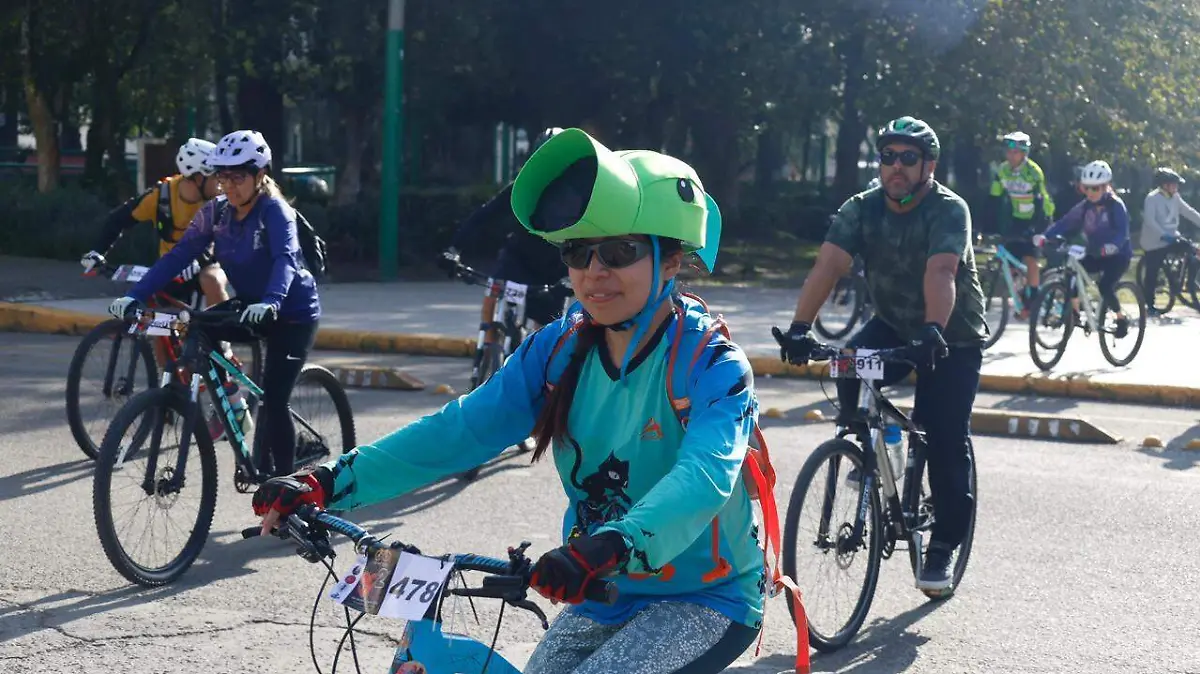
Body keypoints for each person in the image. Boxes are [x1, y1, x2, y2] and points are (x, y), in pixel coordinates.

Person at [253, 129, 771, 673]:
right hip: (603, 585)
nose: (594, 273)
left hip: (704, 598)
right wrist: (330, 481)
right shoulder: (559, 348)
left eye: (620, 252)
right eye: (578, 252)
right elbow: (462, 428)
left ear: (670, 262)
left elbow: (705, 477)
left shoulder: (711, 364)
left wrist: (609, 545)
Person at [775, 116, 986, 594]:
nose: (896, 167)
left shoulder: (949, 210)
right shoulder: (862, 208)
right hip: (893, 322)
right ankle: (866, 447)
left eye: (908, 159)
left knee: (943, 435)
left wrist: (934, 330)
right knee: (848, 361)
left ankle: (943, 546)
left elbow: (942, 272)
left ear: (928, 166)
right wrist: (798, 329)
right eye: (888, 156)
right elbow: (828, 264)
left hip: (951, 335)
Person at [107, 130, 322, 477]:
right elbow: (178, 256)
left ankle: (288, 492)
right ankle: (232, 402)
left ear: (260, 175)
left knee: (275, 399)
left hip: (292, 313)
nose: (230, 185)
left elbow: (285, 260)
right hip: (252, 305)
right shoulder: (216, 213)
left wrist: (272, 300)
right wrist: (135, 295)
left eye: (239, 176)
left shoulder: (275, 212)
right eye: (223, 175)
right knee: (195, 325)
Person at [441, 127, 571, 337]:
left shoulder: (580, 198)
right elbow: (484, 215)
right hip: (517, 260)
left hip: (555, 272)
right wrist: (454, 248)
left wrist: (575, 276)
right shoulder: (521, 188)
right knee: (493, 291)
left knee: (549, 338)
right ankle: (486, 348)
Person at [81, 138, 231, 309]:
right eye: (215, 176)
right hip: (170, 267)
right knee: (157, 321)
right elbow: (118, 219)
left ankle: (222, 330)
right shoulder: (162, 196)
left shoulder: (219, 201)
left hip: (206, 264)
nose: (221, 183)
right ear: (198, 178)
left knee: (211, 280)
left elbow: (225, 237)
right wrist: (97, 251)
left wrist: (200, 260)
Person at [1034, 159, 1133, 333]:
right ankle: (1075, 313)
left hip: (1118, 255)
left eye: (1095, 188)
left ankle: (1120, 317)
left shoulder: (1116, 206)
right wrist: (1045, 236)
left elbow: (1122, 233)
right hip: (1095, 251)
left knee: (1105, 286)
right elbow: (1065, 223)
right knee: (1071, 273)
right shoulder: (1084, 207)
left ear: (1106, 186)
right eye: (1086, 188)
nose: (1090, 192)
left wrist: (1112, 246)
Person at [990, 131, 1055, 313]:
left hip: (1040, 217)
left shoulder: (1033, 172)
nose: (1011, 156)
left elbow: (1041, 202)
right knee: (1009, 264)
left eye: (1015, 152)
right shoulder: (1002, 170)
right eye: (1008, 152)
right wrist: (987, 225)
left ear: (1024, 153)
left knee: (1030, 258)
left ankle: (1033, 296)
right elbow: (994, 198)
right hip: (1018, 218)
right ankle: (1021, 295)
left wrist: (1037, 229)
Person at [1140, 166, 1200, 314]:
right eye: (1174, 184)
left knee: (1193, 251)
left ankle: (1188, 283)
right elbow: (1149, 221)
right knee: (1152, 272)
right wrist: (1163, 235)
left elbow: (1189, 212)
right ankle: (1150, 305)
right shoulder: (1152, 198)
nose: (1176, 187)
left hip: (1172, 237)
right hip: (1154, 241)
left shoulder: (1175, 197)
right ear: (1164, 185)